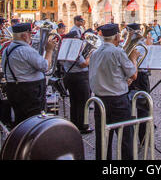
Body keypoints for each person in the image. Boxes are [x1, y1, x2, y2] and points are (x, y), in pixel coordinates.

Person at [89, 23, 140, 160]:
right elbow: (134, 74)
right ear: (117, 36)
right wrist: (134, 59)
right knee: (125, 137)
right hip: (118, 101)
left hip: (100, 100)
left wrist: (122, 80)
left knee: (103, 138)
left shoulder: (94, 53)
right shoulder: (117, 52)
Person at [2, 23, 56, 127]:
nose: (31, 36)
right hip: (29, 91)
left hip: (14, 87)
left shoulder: (7, 50)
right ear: (24, 36)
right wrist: (49, 50)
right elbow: (45, 66)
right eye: (30, 34)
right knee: (32, 121)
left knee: (21, 119)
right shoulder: (26, 50)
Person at [60, 31, 93, 134]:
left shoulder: (64, 48)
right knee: (83, 101)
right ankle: (83, 125)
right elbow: (83, 64)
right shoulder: (75, 49)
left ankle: (74, 123)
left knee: (74, 101)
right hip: (80, 77)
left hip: (69, 75)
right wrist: (89, 56)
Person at [127, 23, 152, 143]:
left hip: (132, 76)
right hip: (140, 76)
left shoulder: (125, 45)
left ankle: (131, 135)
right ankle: (143, 138)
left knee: (130, 106)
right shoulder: (141, 46)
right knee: (143, 107)